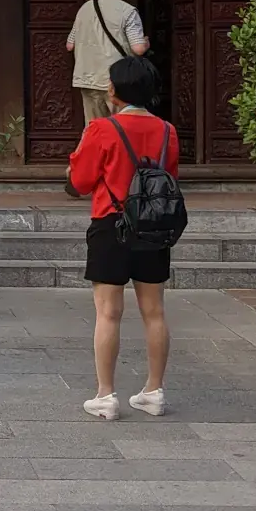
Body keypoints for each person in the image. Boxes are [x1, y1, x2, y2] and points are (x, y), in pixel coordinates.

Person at [66, 55, 175, 421]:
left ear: (115, 90)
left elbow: (79, 183)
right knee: (154, 311)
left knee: (108, 312)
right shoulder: (167, 131)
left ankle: (106, 394)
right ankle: (154, 391)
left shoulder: (102, 129)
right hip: (153, 226)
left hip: (111, 224)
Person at [66, 0, 149, 126]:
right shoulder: (128, 11)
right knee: (120, 129)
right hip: (116, 80)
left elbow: (70, 45)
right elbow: (137, 49)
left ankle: (95, 152)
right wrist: (145, 43)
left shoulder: (85, 8)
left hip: (87, 78)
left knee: (94, 129)